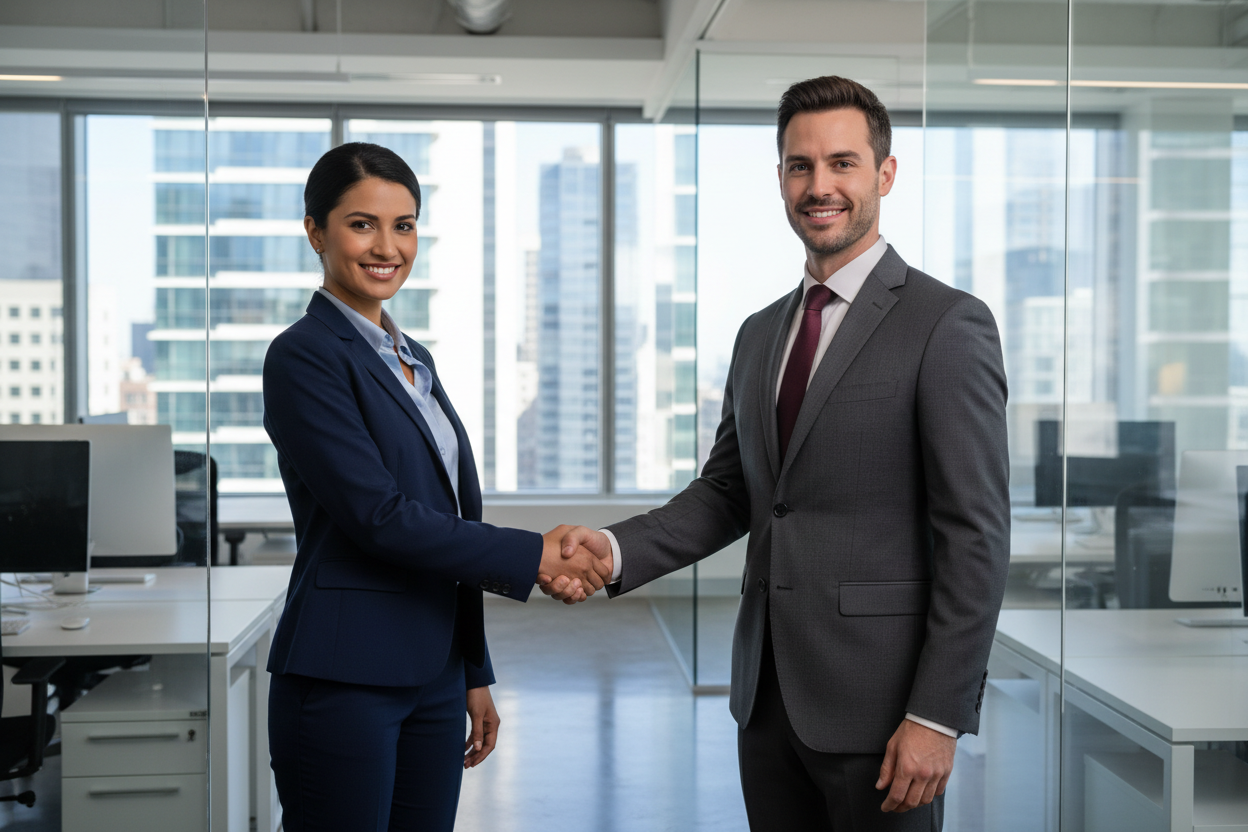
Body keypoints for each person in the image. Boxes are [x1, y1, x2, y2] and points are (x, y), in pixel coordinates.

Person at [547, 76, 1010, 831]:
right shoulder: (761, 332)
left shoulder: (946, 324)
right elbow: (732, 491)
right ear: (781, 178)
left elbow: (977, 536)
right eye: (800, 166)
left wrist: (938, 713)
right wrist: (610, 549)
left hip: (885, 712)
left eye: (842, 164)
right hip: (765, 701)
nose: (819, 185)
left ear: (884, 175)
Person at [263, 142, 610, 832]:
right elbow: (380, 518)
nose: (387, 246)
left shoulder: (411, 358)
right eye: (362, 224)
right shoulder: (303, 356)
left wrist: (472, 671)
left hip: (433, 676)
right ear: (315, 232)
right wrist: (535, 555)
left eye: (405, 225)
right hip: (347, 675)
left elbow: (445, 512)